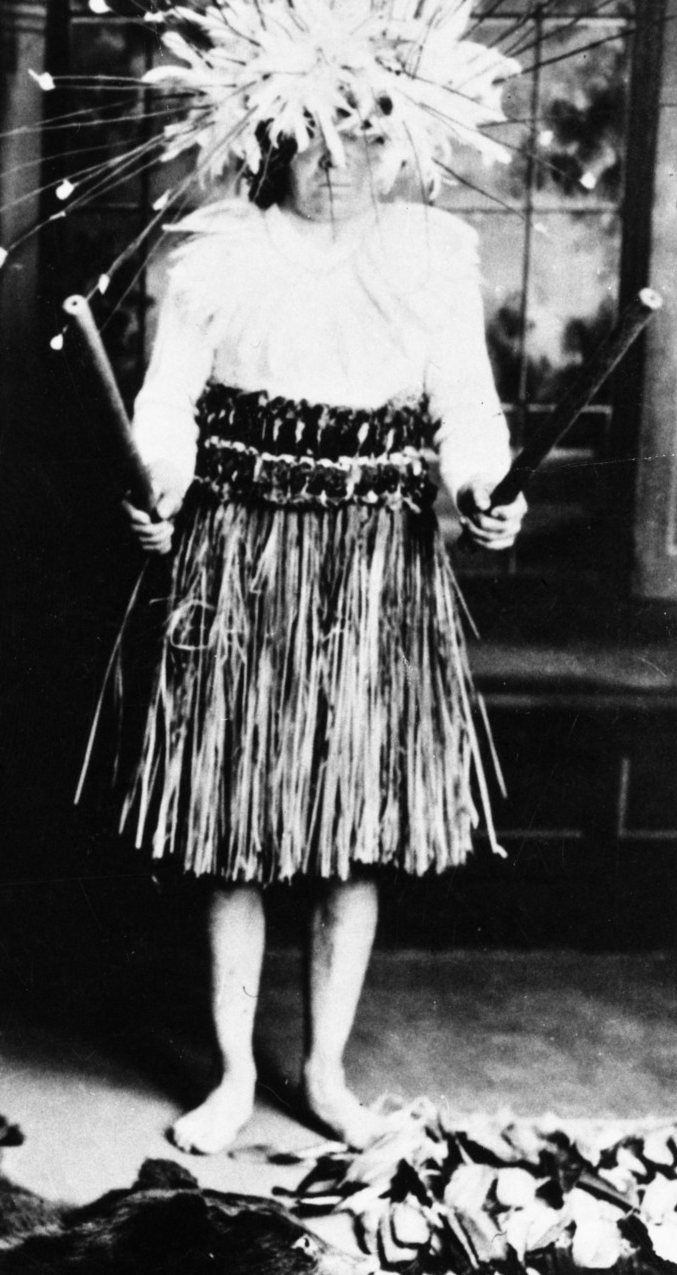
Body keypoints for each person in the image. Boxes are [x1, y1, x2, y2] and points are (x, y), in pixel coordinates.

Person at [119, 127, 524, 1155]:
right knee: (230, 827)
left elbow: (466, 406)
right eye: (311, 139)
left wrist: (484, 488)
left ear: (397, 147)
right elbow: (167, 401)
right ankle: (232, 1074)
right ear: (272, 141)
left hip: (374, 563)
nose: (336, 161)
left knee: (355, 829)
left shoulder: (428, 254)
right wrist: (157, 483)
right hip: (241, 555)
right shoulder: (220, 250)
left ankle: (324, 1072)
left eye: (364, 138)